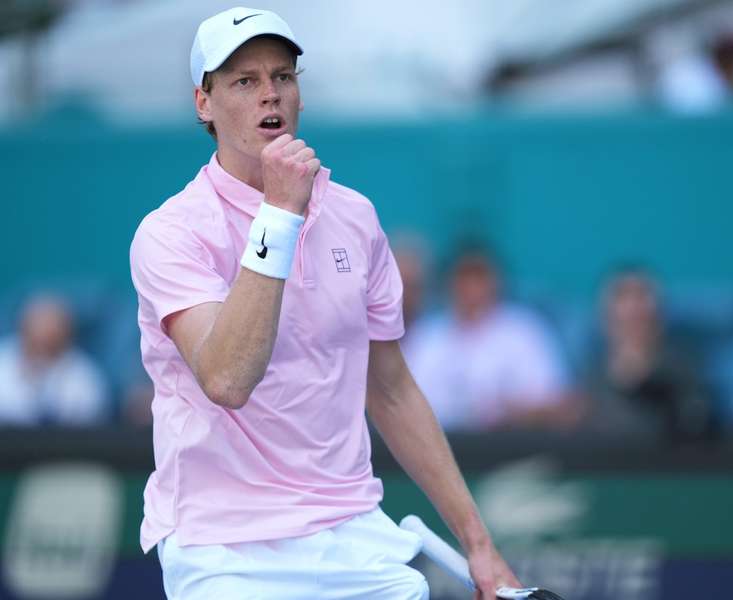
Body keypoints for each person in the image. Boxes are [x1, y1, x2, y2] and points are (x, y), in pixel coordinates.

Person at [129, 8, 519, 599]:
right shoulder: (169, 233)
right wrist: (281, 214)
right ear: (203, 103)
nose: (271, 94)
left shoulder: (356, 217)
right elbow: (228, 378)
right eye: (244, 81)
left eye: (283, 76)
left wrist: (479, 545)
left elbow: (389, 388)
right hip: (223, 549)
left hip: (353, 531)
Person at [403, 242, 571, 431]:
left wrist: (512, 411)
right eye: (464, 277)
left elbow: (561, 404)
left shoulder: (525, 330)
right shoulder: (427, 334)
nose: (472, 287)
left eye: (479, 277)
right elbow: (402, 402)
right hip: (439, 445)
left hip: (510, 445)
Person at [580, 267, 711, 439]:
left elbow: (697, 425)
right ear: (605, 319)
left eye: (642, 296)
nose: (634, 307)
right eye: (622, 296)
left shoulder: (684, 373)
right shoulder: (588, 377)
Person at [0, 293, 108, 426]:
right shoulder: (3, 363)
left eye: (50, 341)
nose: (42, 342)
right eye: (35, 342)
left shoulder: (85, 378)